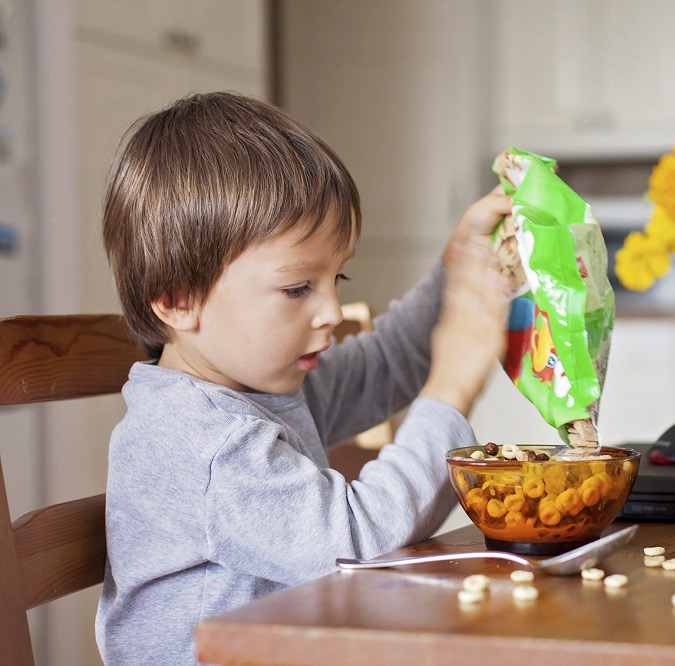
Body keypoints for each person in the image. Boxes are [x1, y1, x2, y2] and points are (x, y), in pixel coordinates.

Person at [95, 91, 511, 665]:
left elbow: (386, 363)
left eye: (336, 277)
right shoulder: (201, 442)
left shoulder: (263, 388)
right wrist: (450, 390)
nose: (333, 311)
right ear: (176, 298)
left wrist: (459, 269)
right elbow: (359, 541)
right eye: (298, 288)